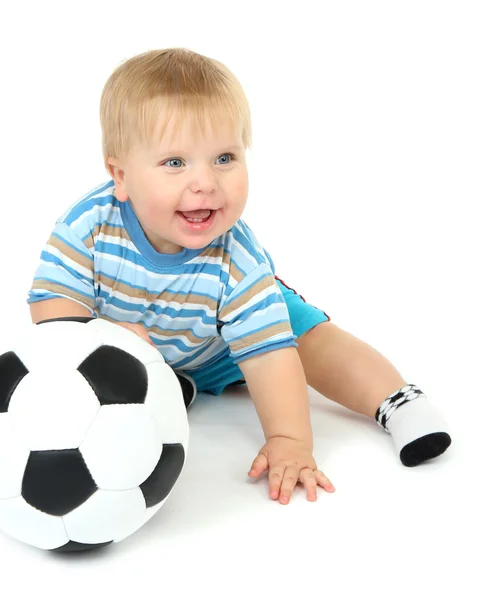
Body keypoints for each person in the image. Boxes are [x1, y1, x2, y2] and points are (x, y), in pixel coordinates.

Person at [26, 48, 451, 505]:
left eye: (225, 158)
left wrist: (290, 440)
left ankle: (398, 401)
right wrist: (96, 335)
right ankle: (171, 382)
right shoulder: (88, 225)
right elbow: (53, 308)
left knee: (311, 342)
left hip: (233, 337)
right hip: (152, 344)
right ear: (121, 176)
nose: (206, 182)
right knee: (110, 364)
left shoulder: (238, 262)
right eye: (175, 163)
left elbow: (271, 360)